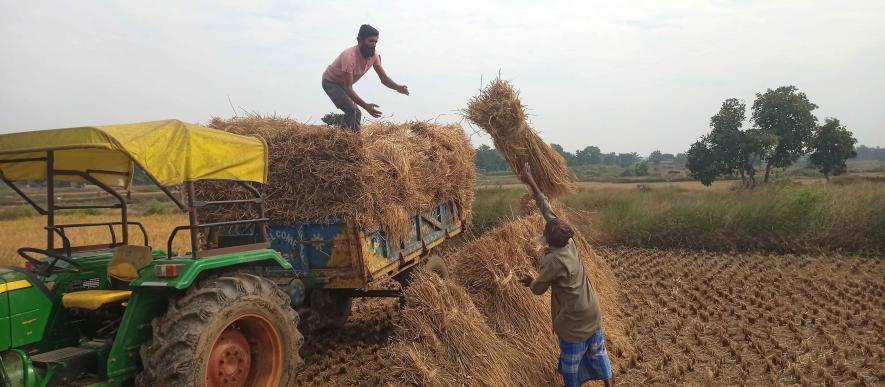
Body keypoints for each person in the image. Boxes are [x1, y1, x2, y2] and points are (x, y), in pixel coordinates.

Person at [517, 162, 613, 387]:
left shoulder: (553, 260)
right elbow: (546, 208)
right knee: (599, 354)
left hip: (573, 324)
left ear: (549, 239)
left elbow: (539, 288)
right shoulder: (568, 241)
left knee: (571, 367)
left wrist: (530, 281)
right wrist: (530, 178)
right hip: (593, 312)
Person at [321, 24, 409, 132]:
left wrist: (397, 87)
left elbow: (383, 78)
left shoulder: (374, 56)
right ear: (360, 40)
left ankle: (353, 141)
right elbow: (348, 88)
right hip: (331, 82)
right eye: (370, 41)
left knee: (356, 112)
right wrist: (366, 106)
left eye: (376, 42)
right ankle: (345, 140)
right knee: (351, 109)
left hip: (344, 85)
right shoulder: (349, 56)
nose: (373, 44)